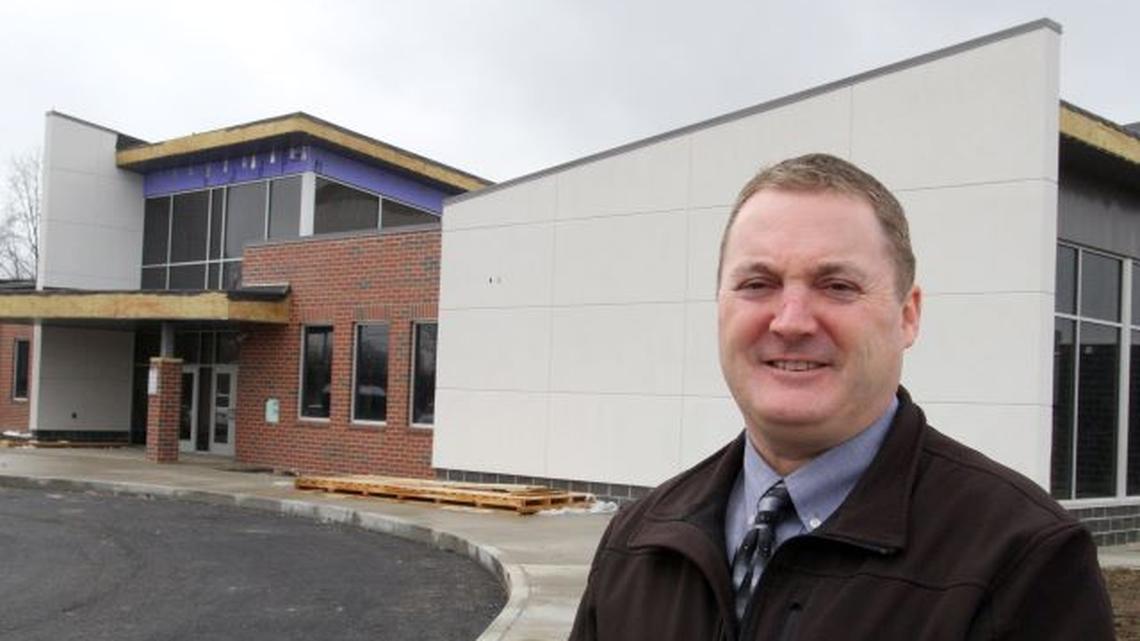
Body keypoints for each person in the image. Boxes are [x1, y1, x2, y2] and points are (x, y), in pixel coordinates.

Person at [568, 153, 1114, 641]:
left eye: (837, 286)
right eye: (758, 283)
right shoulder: (636, 541)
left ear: (908, 316)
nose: (791, 321)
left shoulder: (1022, 560)